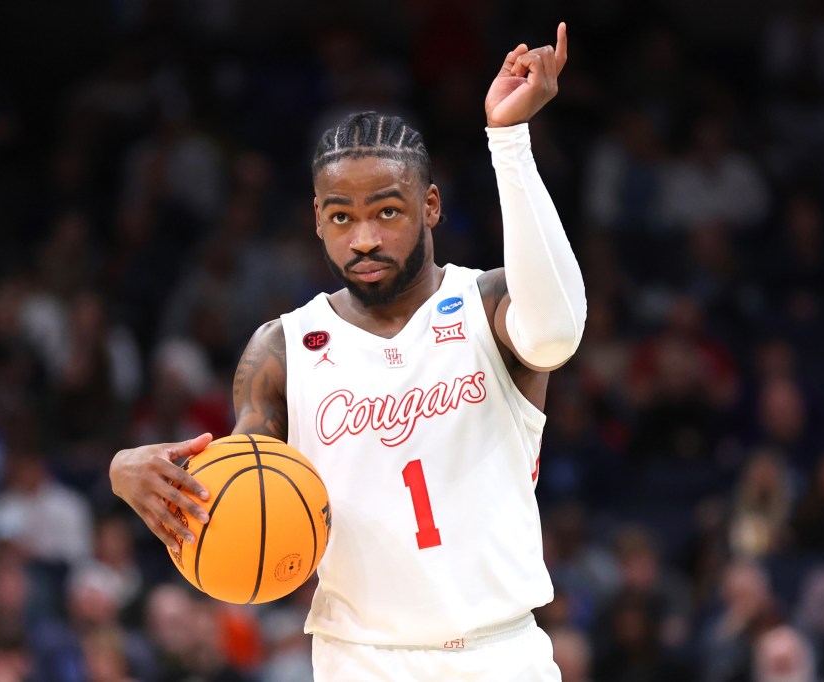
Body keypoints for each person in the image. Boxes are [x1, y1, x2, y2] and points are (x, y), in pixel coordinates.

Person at [110, 22, 585, 681]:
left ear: (431, 206)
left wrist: (508, 141)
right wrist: (131, 473)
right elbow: (245, 495)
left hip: (500, 655)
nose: (363, 237)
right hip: (356, 662)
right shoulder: (282, 348)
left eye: (386, 212)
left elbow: (559, 332)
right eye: (341, 217)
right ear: (317, 221)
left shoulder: (490, 306)